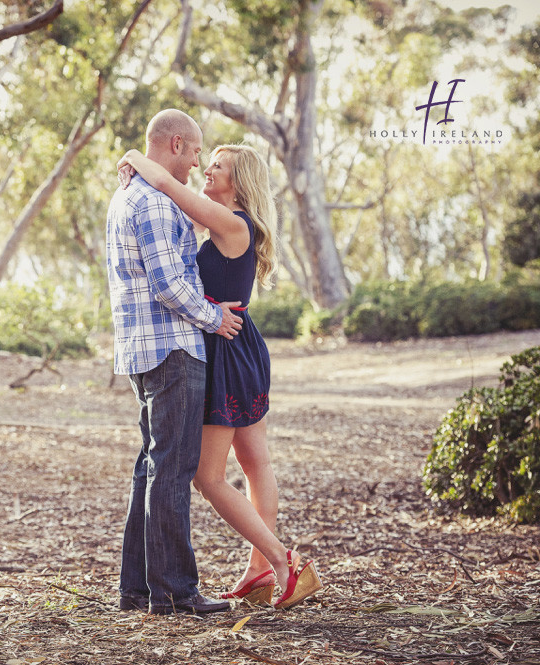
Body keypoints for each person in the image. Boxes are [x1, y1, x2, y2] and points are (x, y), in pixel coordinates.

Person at [118, 143, 322, 609]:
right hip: (238, 341)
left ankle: (280, 561)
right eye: (206, 160)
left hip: (226, 348)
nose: (207, 168)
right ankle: (258, 573)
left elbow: (169, 185)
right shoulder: (224, 223)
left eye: (218, 166)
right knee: (257, 463)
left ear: (239, 181)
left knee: (207, 478)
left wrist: (133, 153)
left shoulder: (231, 223)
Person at [107, 109, 244, 616]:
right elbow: (169, 284)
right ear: (178, 144)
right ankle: (175, 591)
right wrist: (214, 318)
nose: (198, 162)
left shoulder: (129, 196)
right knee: (172, 469)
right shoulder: (155, 203)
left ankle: (137, 589)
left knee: (151, 467)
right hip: (172, 347)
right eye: (195, 151)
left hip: (142, 351)